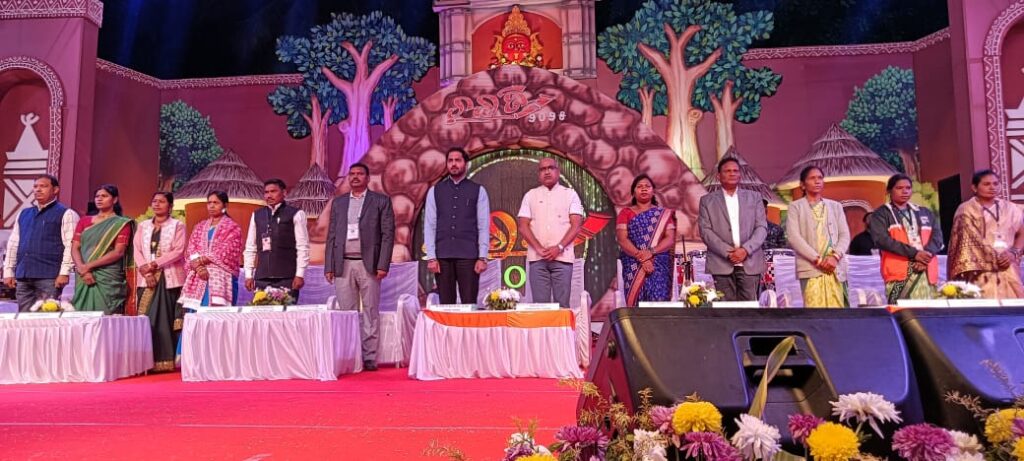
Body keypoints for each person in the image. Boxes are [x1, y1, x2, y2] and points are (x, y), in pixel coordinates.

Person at [325, 163, 395, 371]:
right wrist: (329, 265)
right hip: (343, 263)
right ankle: (351, 356)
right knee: (347, 313)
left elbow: (388, 235)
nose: (355, 177)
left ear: (368, 178)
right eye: (352, 174)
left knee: (370, 311)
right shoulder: (339, 203)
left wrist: (383, 263)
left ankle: (369, 356)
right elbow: (332, 235)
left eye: (360, 174)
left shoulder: (380, 201)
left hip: (369, 264)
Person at [3, 175, 80, 312]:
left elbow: (70, 245)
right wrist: (8, 271)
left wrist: (64, 272)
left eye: (43, 186)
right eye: (35, 186)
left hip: (49, 276)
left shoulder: (66, 213)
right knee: (24, 318)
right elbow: (13, 243)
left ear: (55, 190)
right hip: (24, 275)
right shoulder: (24, 213)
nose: (38, 190)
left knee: (46, 316)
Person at [424, 148, 490, 304]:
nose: (453, 164)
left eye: (458, 160)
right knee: (446, 304)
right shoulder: (435, 191)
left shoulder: (478, 191)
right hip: (442, 257)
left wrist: (482, 257)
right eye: (450, 161)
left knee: (469, 303)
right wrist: (431, 257)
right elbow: (430, 225)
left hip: (469, 256)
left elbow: (483, 226)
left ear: (465, 164)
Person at [697, 157, 767, 301]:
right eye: (728, 171)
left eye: (735, 171)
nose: (732, 173)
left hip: (750, 260)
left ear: (740, 174)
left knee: (749, 308)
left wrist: (745, 250)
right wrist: (729, 253)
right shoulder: (707, 201)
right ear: (719, 176)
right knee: (726, 308)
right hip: (721, 262)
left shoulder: (754, 197)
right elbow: (705, 231)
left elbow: (761, 228)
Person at [518, 157, 584, 308]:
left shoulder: (570, 194)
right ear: (538, 174)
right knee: (540, 308)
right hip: (537, 259)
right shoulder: (530, 195)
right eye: (542, 169)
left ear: (558, 172)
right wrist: (538, 248)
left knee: (562, 306)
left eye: (550, 168)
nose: (547, 172)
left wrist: (559, 247)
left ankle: (563, 326)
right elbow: (523, 226)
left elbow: (576, 226)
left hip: (563, 258)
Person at [947, 169, 1024, 299]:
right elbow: (970, 240)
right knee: (984, 305)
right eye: (987, 184)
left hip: (1008, 267)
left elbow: (1022, 233)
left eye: (996, 183)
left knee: (1013, 306)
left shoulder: (1011, 208)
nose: (992, 187)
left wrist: (1013, 253)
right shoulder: (966, 209)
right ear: (974, 187)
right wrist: (995, 257)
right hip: (979, 270)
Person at [134, 192, 187, 372]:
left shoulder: (177, 225)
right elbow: (136, 250)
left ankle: (165, 361)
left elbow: (178, 251)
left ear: (170, 206)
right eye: (154, 201)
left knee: (165, 318)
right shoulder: (143, 226)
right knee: (146, 317)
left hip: (168, 277)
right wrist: (145, 268)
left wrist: (154, 264)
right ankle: (145, 361)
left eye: (162, 202)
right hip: (145, 277)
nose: (157, 204)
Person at [869, 174, 943, 303]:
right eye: (899, 188)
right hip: (900, 272)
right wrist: (915, 254)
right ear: (889, 191)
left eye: (908, 188)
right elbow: (882, 240)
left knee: (928, 311)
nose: (905, 191)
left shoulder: (924, 212)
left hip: (926, 268)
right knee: (902, 312)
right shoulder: (881, 214)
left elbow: (937, 237)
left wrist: (926, 256)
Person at [786, 166, 851, 308]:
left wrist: (835, 257)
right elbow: (793, 237)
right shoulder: (795, 207)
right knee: (814, 311)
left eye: (820, 178)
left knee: (838, 312)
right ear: (802, 185)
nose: (817, 181)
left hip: (834, 267)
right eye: (812, 178)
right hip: (810, 267)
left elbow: (844, 235)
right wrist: (818, 260)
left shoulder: (835, 206)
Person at [70, 184, 134, 314]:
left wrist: (88, 266)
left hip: (107, 276)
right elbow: (75, 248)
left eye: (104, 196)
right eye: (97, 196)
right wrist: (83, 270)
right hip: (83, 275)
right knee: (81, 316)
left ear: (114, 200)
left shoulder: (121, 223)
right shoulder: (84, 221)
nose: (99, 199)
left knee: (105, 315)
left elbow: (118, 252)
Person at [243, 179, 309, 300]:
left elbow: (302, 246)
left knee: (285, 311)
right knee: (261, 311)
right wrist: (248, 275)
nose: (269, 195)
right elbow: (250, 247)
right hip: (262, 278)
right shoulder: (257, 215)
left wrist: (300, 274)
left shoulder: (295, 214)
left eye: (273, 191)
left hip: (287, 277)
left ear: (284, 193)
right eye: (266, 192)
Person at [617, 174, 675, 306]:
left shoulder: (663, 214)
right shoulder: (625, 213)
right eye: (639, 186)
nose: (644, 189)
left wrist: (651, 252)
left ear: (653, 191)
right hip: (633, 262)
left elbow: (670, 238)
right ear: (633, 192)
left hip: (659, 263)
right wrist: (642, 258)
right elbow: (622, 239)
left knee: (659, 301)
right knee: (636, 303)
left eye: (647, 186)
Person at [179, 191, 243, 308]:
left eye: (216, 203)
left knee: (215, 314)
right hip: (199, 274)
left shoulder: (232, 227)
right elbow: (192, 248)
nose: (212, 206)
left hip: (220, 276)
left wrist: (202, 260)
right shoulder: (199, 226)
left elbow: (226, 250)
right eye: (209, 203)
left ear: (225, 205)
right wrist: (198, 267)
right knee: (196, 312)